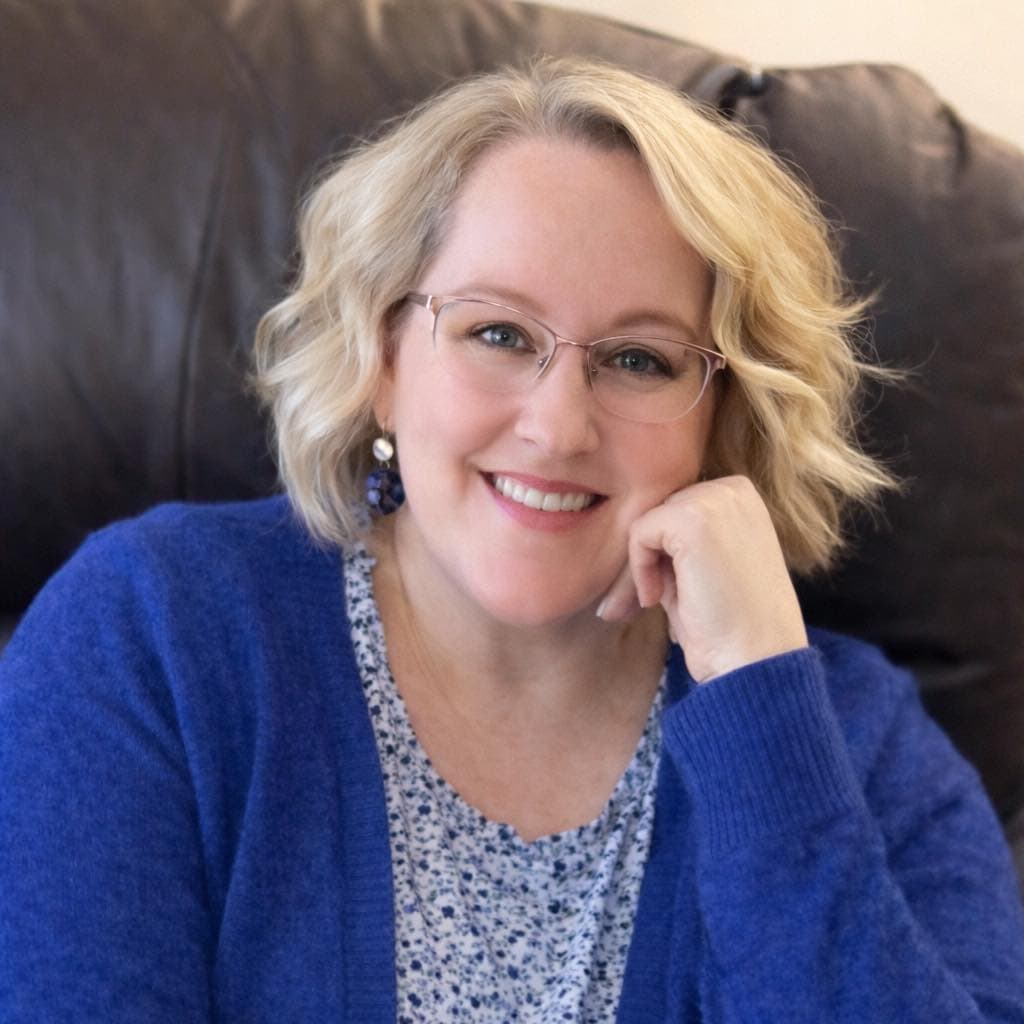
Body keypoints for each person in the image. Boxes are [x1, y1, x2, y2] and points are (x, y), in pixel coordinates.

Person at [1, 57, 1022, 1023]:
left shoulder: (853, 743)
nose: (557, 425)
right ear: (383, 353)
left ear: (726, 415)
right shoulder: (150, 633)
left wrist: (759, 707)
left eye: (638, 359)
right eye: (497, 333)